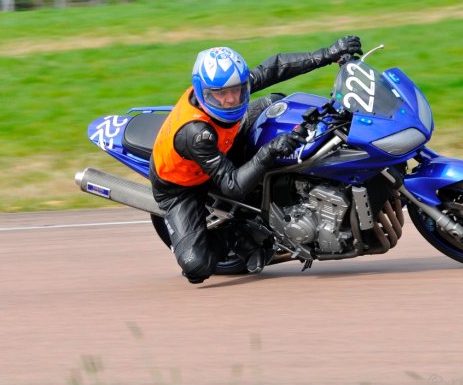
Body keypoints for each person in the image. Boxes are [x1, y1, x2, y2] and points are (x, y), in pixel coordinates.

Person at [150, 36, 363, 284]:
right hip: (182, 186)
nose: (231, 99)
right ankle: (239, 236)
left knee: (276, 104)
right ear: (203, 92)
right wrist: (269, 151)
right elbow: (232, 185)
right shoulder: (196, 133)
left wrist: (328, 53)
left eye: (236, 90)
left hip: (224, 142)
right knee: (196, 266)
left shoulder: (233, 90)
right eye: (220, 94)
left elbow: (275, 67)